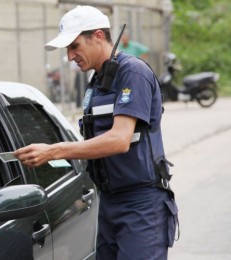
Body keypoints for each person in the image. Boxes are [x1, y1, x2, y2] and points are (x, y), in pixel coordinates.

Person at [14, 5, 178, 260]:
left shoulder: (132, 73)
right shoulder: (97, 82)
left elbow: (119, 139)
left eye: (74, 46)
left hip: (141, 204)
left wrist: (54, 151)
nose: (69, 56)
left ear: (98, 36)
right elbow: (93, 142)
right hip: (109, 202)